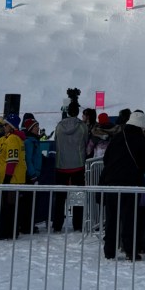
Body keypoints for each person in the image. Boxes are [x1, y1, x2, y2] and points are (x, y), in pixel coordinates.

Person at [100, 110, 145, 260]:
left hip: (111, 183)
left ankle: (109, 250)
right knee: (129, 218)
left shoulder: (117, 137)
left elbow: (106, 159)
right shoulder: (141, 141)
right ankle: (130, 250)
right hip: (131, 184)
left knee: (111, 219)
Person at [52, 98, 89, 233]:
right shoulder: (82, 126)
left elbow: (56, 141)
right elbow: (85, 143)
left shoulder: (59, 126)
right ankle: (78, 224)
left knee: (60, 198)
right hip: (78, 165)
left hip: (61, 165)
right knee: (78, 196)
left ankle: (57, 224)